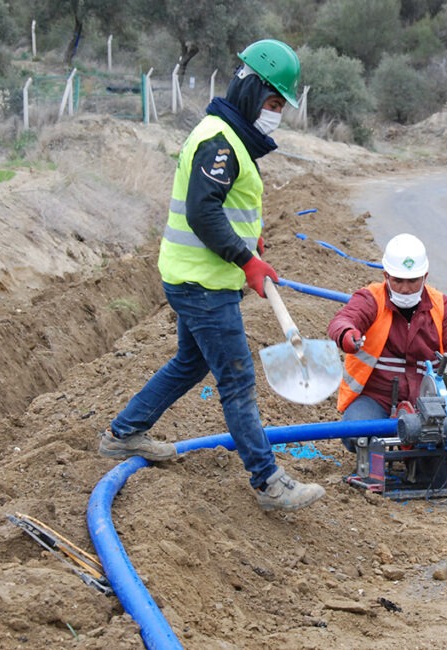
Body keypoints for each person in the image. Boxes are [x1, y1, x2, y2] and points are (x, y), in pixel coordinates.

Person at [97, 39, 325, 512]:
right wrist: (246, 261)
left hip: (195, 277)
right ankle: (267, 481)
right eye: (273, 102)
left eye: (280, 105)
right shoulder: (220, 140)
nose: (274, 114)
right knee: (237, 377)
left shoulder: (226, 134)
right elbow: (203, 212)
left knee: (190, 363)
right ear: (251, 89)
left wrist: (249, 243)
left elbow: (222, 207)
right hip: (203, 285)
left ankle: (124, 432)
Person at [328, 233, 447, 449]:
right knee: (356, 434)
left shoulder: (442, 307)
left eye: (413, 281)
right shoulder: (371, 299)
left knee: (437, 439)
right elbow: (343, 319)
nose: (406, 288)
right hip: (375, 397)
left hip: (425, 400)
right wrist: (345, 333)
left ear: (425, 277)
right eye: (398, 280)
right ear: (386, 276)